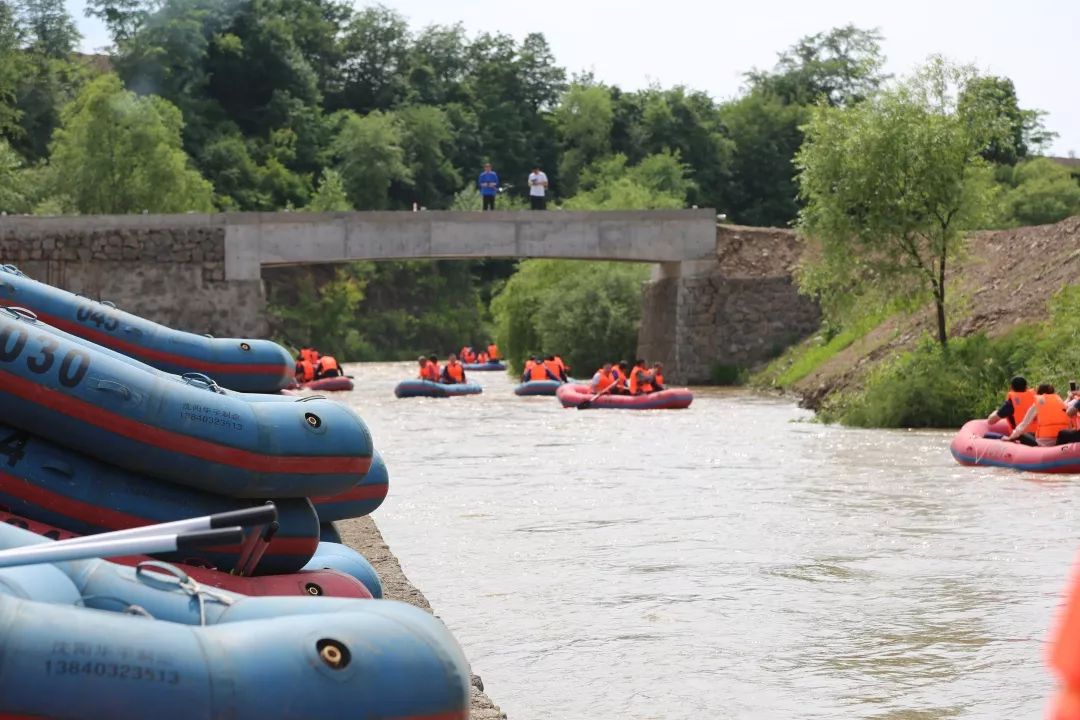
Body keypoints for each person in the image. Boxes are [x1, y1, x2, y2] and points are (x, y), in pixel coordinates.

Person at [1004, 384, 1071, 446]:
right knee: (1031, 434)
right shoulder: (1060, 401)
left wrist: (1011, 437)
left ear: (1039, 392)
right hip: (1061, 439)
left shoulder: (1039, 403)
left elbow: (1024, 424)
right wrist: (1069, 397)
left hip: (1045, 442)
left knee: (1021, 435)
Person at [987, 375, 1037, 446]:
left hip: (1022, 437)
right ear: (1026, 387)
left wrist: (997, 411)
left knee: (987, 435)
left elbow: (991, 421)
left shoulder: (1011, 403)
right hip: (1040, 435)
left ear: (1011, 388)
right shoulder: (1036, 398)